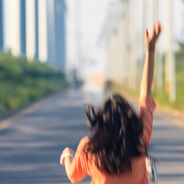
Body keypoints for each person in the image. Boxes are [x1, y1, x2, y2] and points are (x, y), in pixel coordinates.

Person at [60, 21, 163, 184]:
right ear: (130, 119)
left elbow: (73, 177)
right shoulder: (141, 139)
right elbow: (145, 93)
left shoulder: (89, 149)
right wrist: (150, 50)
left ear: (101, 121)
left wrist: (67, 156)